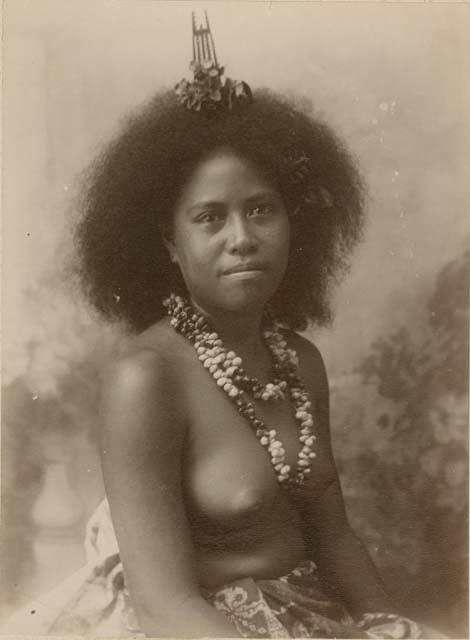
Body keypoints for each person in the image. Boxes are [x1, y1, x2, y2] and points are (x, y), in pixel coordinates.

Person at [2, 13, 442, 640]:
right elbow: (162, 605)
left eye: (261, 210)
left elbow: (334, 536)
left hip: (307, 619)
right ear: (170, 244)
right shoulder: (145, 378)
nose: (242, 239)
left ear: (296, 224)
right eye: (210, 218)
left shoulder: (297, 359)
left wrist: (388, 625)